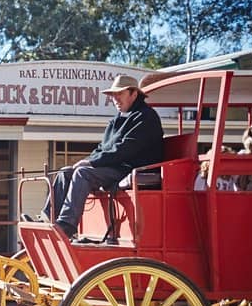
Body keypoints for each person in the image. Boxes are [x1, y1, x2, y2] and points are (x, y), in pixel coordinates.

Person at [34, 74, 164, 239]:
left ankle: (67, 225)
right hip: (113, 167)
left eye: (120, 94)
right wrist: (87, 161)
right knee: (66, 172)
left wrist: (92, 163)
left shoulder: (145, 117)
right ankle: (47, 219)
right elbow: (103, 148)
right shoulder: (117, 120)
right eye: (113, 95)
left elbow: (125, 149)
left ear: (134, 94)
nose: (115, 99)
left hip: (130, 169)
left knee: (83, 174)